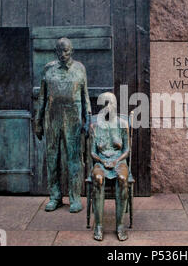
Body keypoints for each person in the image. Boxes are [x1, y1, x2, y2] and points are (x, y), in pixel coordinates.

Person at [34, 38, 91, 213]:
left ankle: (75, 198)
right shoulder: (48, 69)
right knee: (52, 158)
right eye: (60, 51)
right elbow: (42, 97)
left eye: (66, 51)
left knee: (74, 159)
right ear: (55, 51)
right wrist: (38, 121)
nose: (63, 54)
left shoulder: (80, 69)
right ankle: (55, 196)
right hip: (52, 117)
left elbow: (85, 95)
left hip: (73, 118)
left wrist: (87, 117)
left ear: (71, 51)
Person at [90, 92, 130, 241]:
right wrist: (101, 160)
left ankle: (120, 225)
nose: (107, 108)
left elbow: (126, 150)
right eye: (104, 105)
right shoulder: (95, 126)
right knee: (99, 178)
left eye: (110, 104)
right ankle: (99, 225)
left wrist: (116, 161)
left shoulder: (122, 124)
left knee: (121, 178)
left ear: (115, 105)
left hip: (119, 160)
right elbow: (92, 152)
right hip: (100, 161)